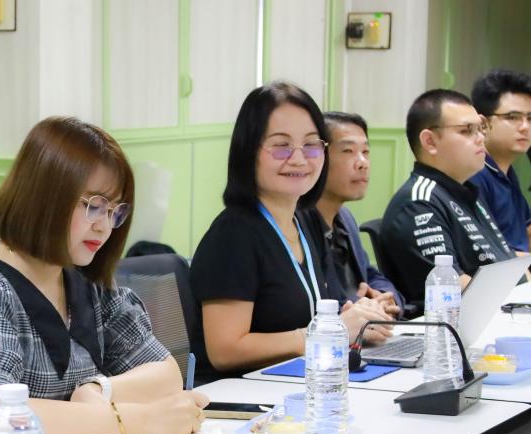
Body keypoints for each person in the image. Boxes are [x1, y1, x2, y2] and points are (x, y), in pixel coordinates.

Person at [0, 116, 208, 434]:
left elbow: (166, 374)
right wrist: (132, 419)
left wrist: (98, 390)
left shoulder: (84, 278)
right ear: (44, 197)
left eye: (114, 211)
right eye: (94, 206)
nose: (105, 226)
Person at [189, 82, 390, 385]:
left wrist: (359, 316)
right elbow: (225, 350)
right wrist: (326, 333)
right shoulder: (233, 235)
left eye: (311, 145)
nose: (298, 159)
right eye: (281, 145)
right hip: (240, 396)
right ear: (249, 151)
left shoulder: (306, 221)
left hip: (303, 383)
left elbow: (329, 311)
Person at [381, 89, 515, 306]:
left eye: (481, 129)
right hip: (453, 322)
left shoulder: (466, 191)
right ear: (430, 142)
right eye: (466, 131)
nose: (480, 138)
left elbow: (504, 260)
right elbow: (451, 284)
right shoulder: (419, 202)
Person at [297, 111, 404, 317]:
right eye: (348, 151)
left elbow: (370, 274)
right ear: (316, 157)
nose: (363, 163)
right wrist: (361, 307)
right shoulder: (296, 223)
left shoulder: (345, 217)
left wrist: (385, 298)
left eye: (366, 151)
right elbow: (314, 301)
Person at [469, 69, 531, 252]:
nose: (525, 127)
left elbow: (525, 230)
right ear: (483, 124)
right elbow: (489, 255)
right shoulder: (473, 174)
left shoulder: (506, 170)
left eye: (530, 118)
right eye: (513, 117)